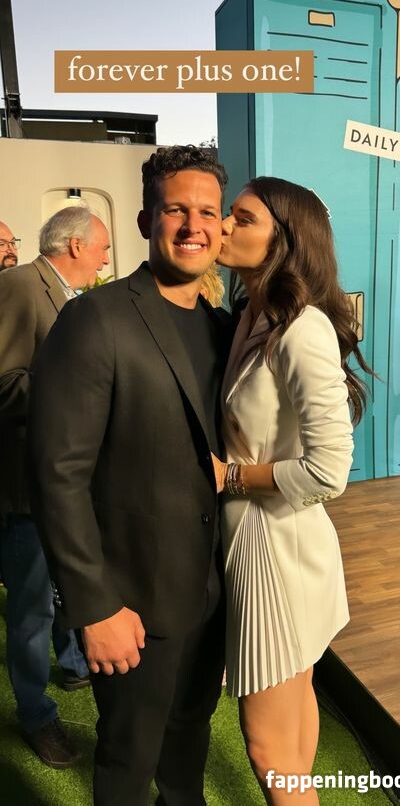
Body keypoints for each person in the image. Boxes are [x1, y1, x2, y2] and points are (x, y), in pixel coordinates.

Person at [27, 145, 232, 805]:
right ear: (146, 220)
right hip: (132, 605)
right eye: (176, 209)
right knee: (128, 760)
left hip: (212, 596)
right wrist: (94, 606)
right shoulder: (96, 318)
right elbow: (57, 473)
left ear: (223, 224)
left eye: (208, 212)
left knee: (187, 750)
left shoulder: (224, 328)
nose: (193, 225)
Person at [213, 176, 371, 804]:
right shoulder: (254, 314)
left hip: (274, 552)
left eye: (242, 218)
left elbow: (330, 470)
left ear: (285, 240)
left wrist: (229, 475)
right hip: (271, 542)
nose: (224, 225)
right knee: (295, 715)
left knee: (268, 748)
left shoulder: (303, 328)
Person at [0, 206, 110, 769]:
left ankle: (72, 665)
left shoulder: (68, 295)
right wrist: (75, 385)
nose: (106, 260)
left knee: (64, 585)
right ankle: (36, 716)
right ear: (75, 245)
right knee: (30, 610)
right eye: (102, 248)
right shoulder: (22, 285)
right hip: (26, 487)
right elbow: (4, 383)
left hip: (63, 483)